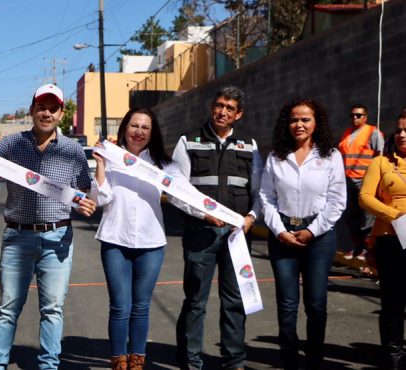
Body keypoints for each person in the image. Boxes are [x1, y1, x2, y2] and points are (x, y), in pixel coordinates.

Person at [0, 84, 97, 370]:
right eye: (41, 107)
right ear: (32, 109)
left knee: (52, 310)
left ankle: (49, 365)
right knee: (8, 309)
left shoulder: (73, 151)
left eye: (53, 108)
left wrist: (88, 203)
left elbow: (85, 195)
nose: (46, 113)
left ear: (61, 113)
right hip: (17, 236)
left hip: (57, 237)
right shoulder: (10, 145)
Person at [91, 107, 193, 370]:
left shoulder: (164, 165)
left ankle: (137, 361)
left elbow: (186, 197)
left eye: (145, 128)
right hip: (115, 240)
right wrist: (101, 164)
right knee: (120, 306)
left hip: (151, 244)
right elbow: (101, 198)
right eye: (134, 126)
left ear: (152, 132)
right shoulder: (112, 158)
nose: (138, 132)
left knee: (141, 306)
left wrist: (216, 215)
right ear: (125, 127)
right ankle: (118, 361)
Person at [171, 85, 262, 370]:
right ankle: (190, 360)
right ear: (213, 106)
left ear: (238, 114)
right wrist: (202, 214)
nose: (222, 111)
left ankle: (234, 360)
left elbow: (260, 192)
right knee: (195, 300)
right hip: (201, 233)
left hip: (236, 238)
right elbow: (175, 190)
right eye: (219, 105)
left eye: (229, 108)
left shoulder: (250, 145)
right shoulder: (189, 141)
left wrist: (252, 218)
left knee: (234, 300)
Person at [259, 98, 346, 370]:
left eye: (305, 119)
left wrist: (311, 230)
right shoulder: (276, 156)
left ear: (316, 122)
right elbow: (266, 197)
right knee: (287, 305)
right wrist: (280, 231)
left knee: (316, 304)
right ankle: (289, 362)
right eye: (294, 119)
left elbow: (337, 201)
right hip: (283, 236)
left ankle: (315, 360)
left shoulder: (330, 156)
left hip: (318, 239)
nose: (299, 124)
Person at [359, 108, 406, 370]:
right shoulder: (381, 162)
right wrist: (394, 215)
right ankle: (393, 356)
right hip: (391, 237)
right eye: (398, 129)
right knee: (392, 300)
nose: (401, 134)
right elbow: (365, 196)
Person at [339, 103, 384, 261]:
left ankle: (367, 248)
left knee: (367, 217)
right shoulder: (347, 133)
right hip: (348, 180)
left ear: (365, 117)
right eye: (352, 115)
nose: (355, 118)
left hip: (365, 180)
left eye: (358, 115)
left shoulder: (373, 132)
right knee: (351, 216)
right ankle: (356, 246)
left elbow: (380, 156)